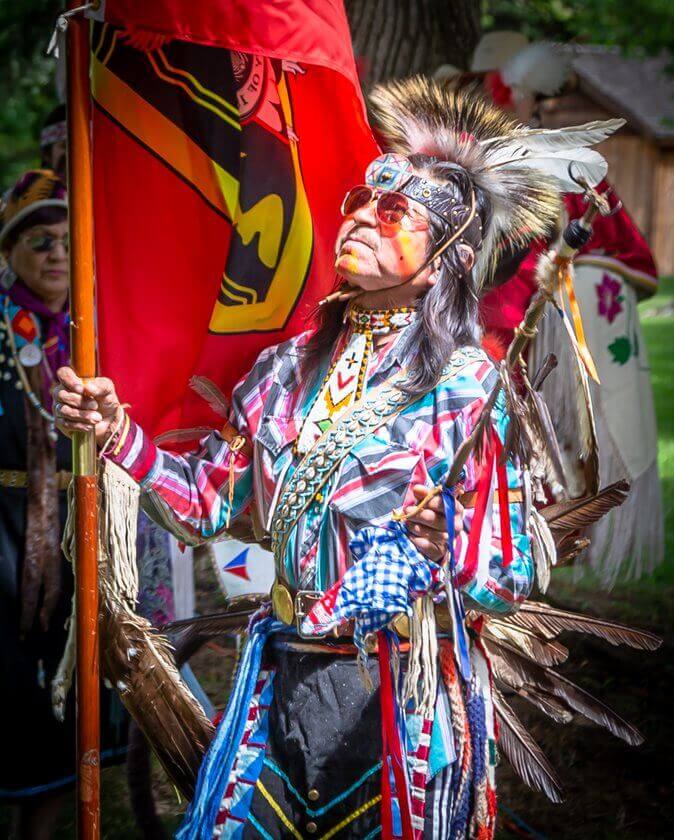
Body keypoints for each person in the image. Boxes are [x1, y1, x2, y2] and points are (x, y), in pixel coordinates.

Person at [54, 83, 633, 837]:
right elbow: (204, 508)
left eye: (393, 213)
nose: (359, 215)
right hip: (277, 676)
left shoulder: (464, 388)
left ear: (442, 264)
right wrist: (117, 433)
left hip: (395, 700)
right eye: (360, 199)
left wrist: (447, 541)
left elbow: (512, 569)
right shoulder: (283, 369)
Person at [469, 34, 663, 584]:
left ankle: (542, 526)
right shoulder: (465, 154)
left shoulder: (572, 164)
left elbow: (618, 244)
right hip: (482, 314)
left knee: (548, 426)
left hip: (539, 317)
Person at [0, 171, 128, 838]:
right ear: (9, 252)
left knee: (69, 673)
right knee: (16, 680)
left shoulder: (88, 333)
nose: (55, 254)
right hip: (6, 537)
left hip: (78, 536)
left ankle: (46, 819)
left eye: (65, 242)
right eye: (39, 240)